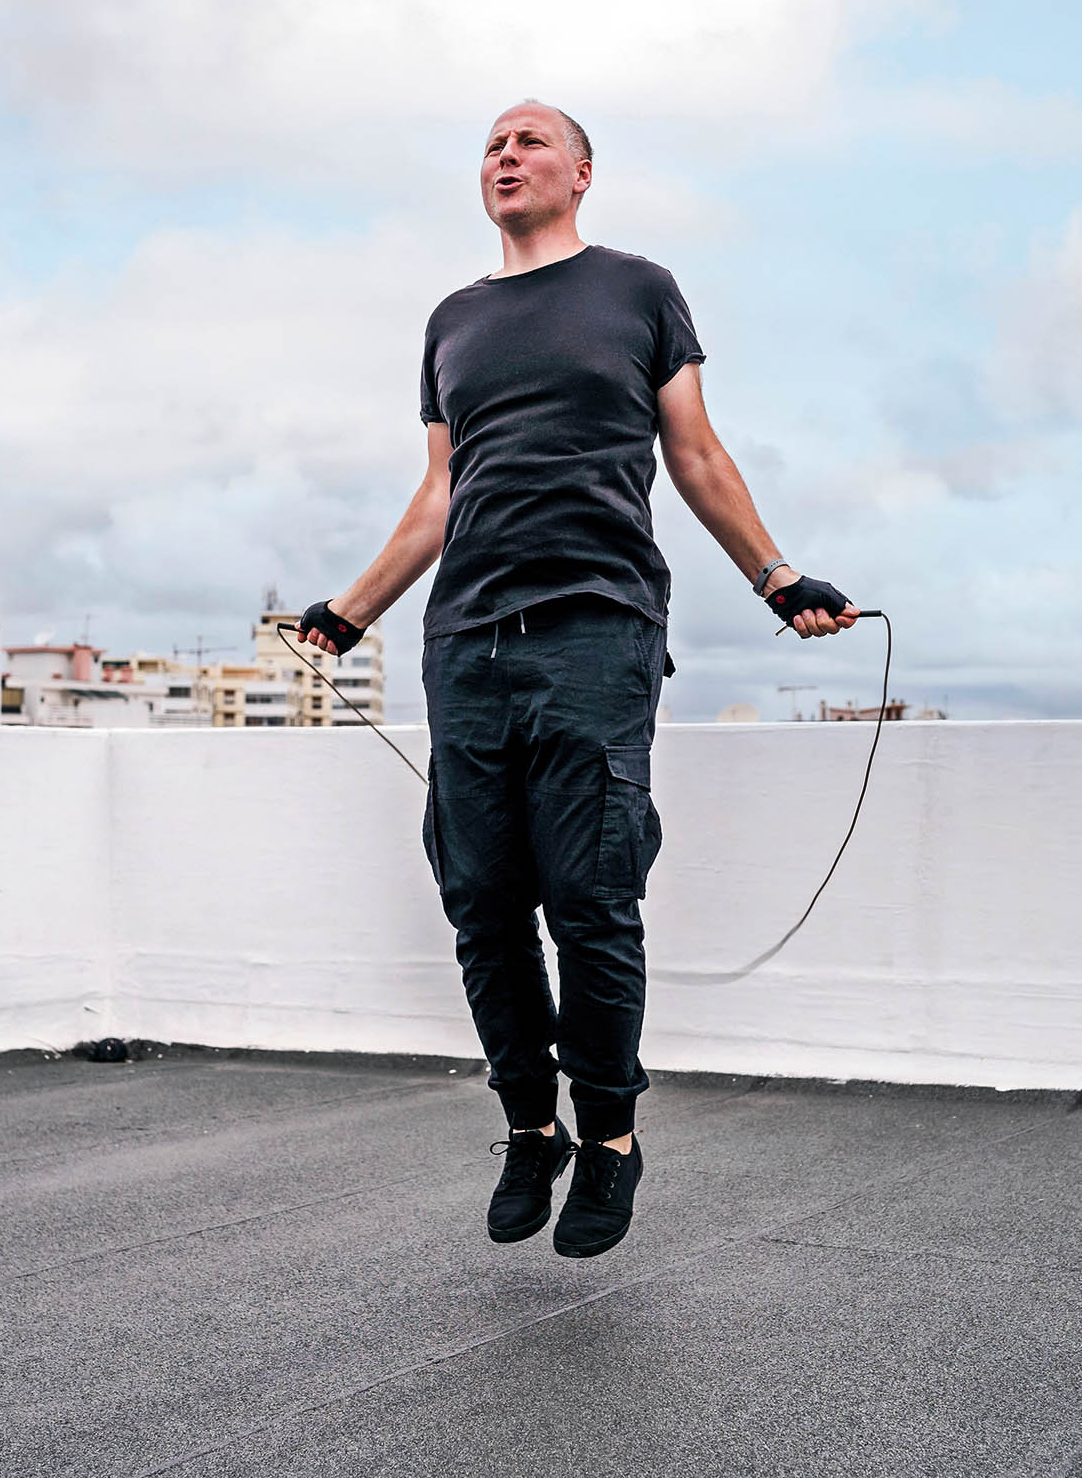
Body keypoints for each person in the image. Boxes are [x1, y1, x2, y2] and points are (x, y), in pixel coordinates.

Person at [295, 100, 859, 1258]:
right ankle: (527, 1123)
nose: (505, 156)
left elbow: (695, 452)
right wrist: (351, 612)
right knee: (481, 907)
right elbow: (440, 494)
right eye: (491, 145)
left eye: (530, 140)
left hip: (596, 628)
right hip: (464, 645)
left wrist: (776, 575)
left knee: (591, 900)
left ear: (582, 172)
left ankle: (608, 1137)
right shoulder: (452, 320)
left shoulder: (638, 290)